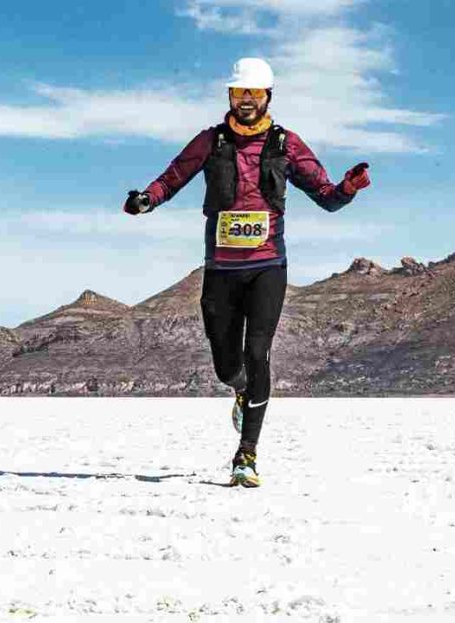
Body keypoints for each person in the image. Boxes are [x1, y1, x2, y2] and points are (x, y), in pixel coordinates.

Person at [123, 58, 371, 487]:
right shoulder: (210, 141)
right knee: (226, 365)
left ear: (268, 97)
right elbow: (172, 177)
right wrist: (146, 200)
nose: (247, 101)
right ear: (230, 98)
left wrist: (347, 188)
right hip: (220, 269)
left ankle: (247, 455)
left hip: (267, 268)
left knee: (258, 354)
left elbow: (327, 196)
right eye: (240, 94)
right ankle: (239, 390)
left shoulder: (286, 144)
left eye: (254, 94)